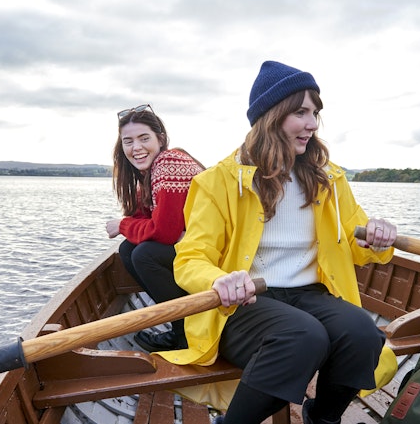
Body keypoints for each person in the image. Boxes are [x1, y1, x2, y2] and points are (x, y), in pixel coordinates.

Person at [159, 61, 398, 424]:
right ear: (272, 115)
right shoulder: (218, 182)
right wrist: (217, 280)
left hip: (309, 295)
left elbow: (354, 242)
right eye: (301, 112)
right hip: (244, 303)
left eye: (315, 113)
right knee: (304, 337)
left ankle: (324, 417)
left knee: (362, 334)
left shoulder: (328, 180)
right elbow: (190, 258)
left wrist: (376, 238)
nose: (313, 124)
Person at [105, 104, 205, 352]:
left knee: (144, 254)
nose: (135, 148)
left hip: (218, 254)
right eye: (128, 141)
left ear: (160, 139)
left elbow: (163, 232)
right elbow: (144, 217)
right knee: (129, 249)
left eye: (143, 138)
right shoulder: (153, 172)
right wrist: (129, 224)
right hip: (199, 249)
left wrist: (122, 224)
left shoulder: (169, 163)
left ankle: (187, 332)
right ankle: (182, 327)